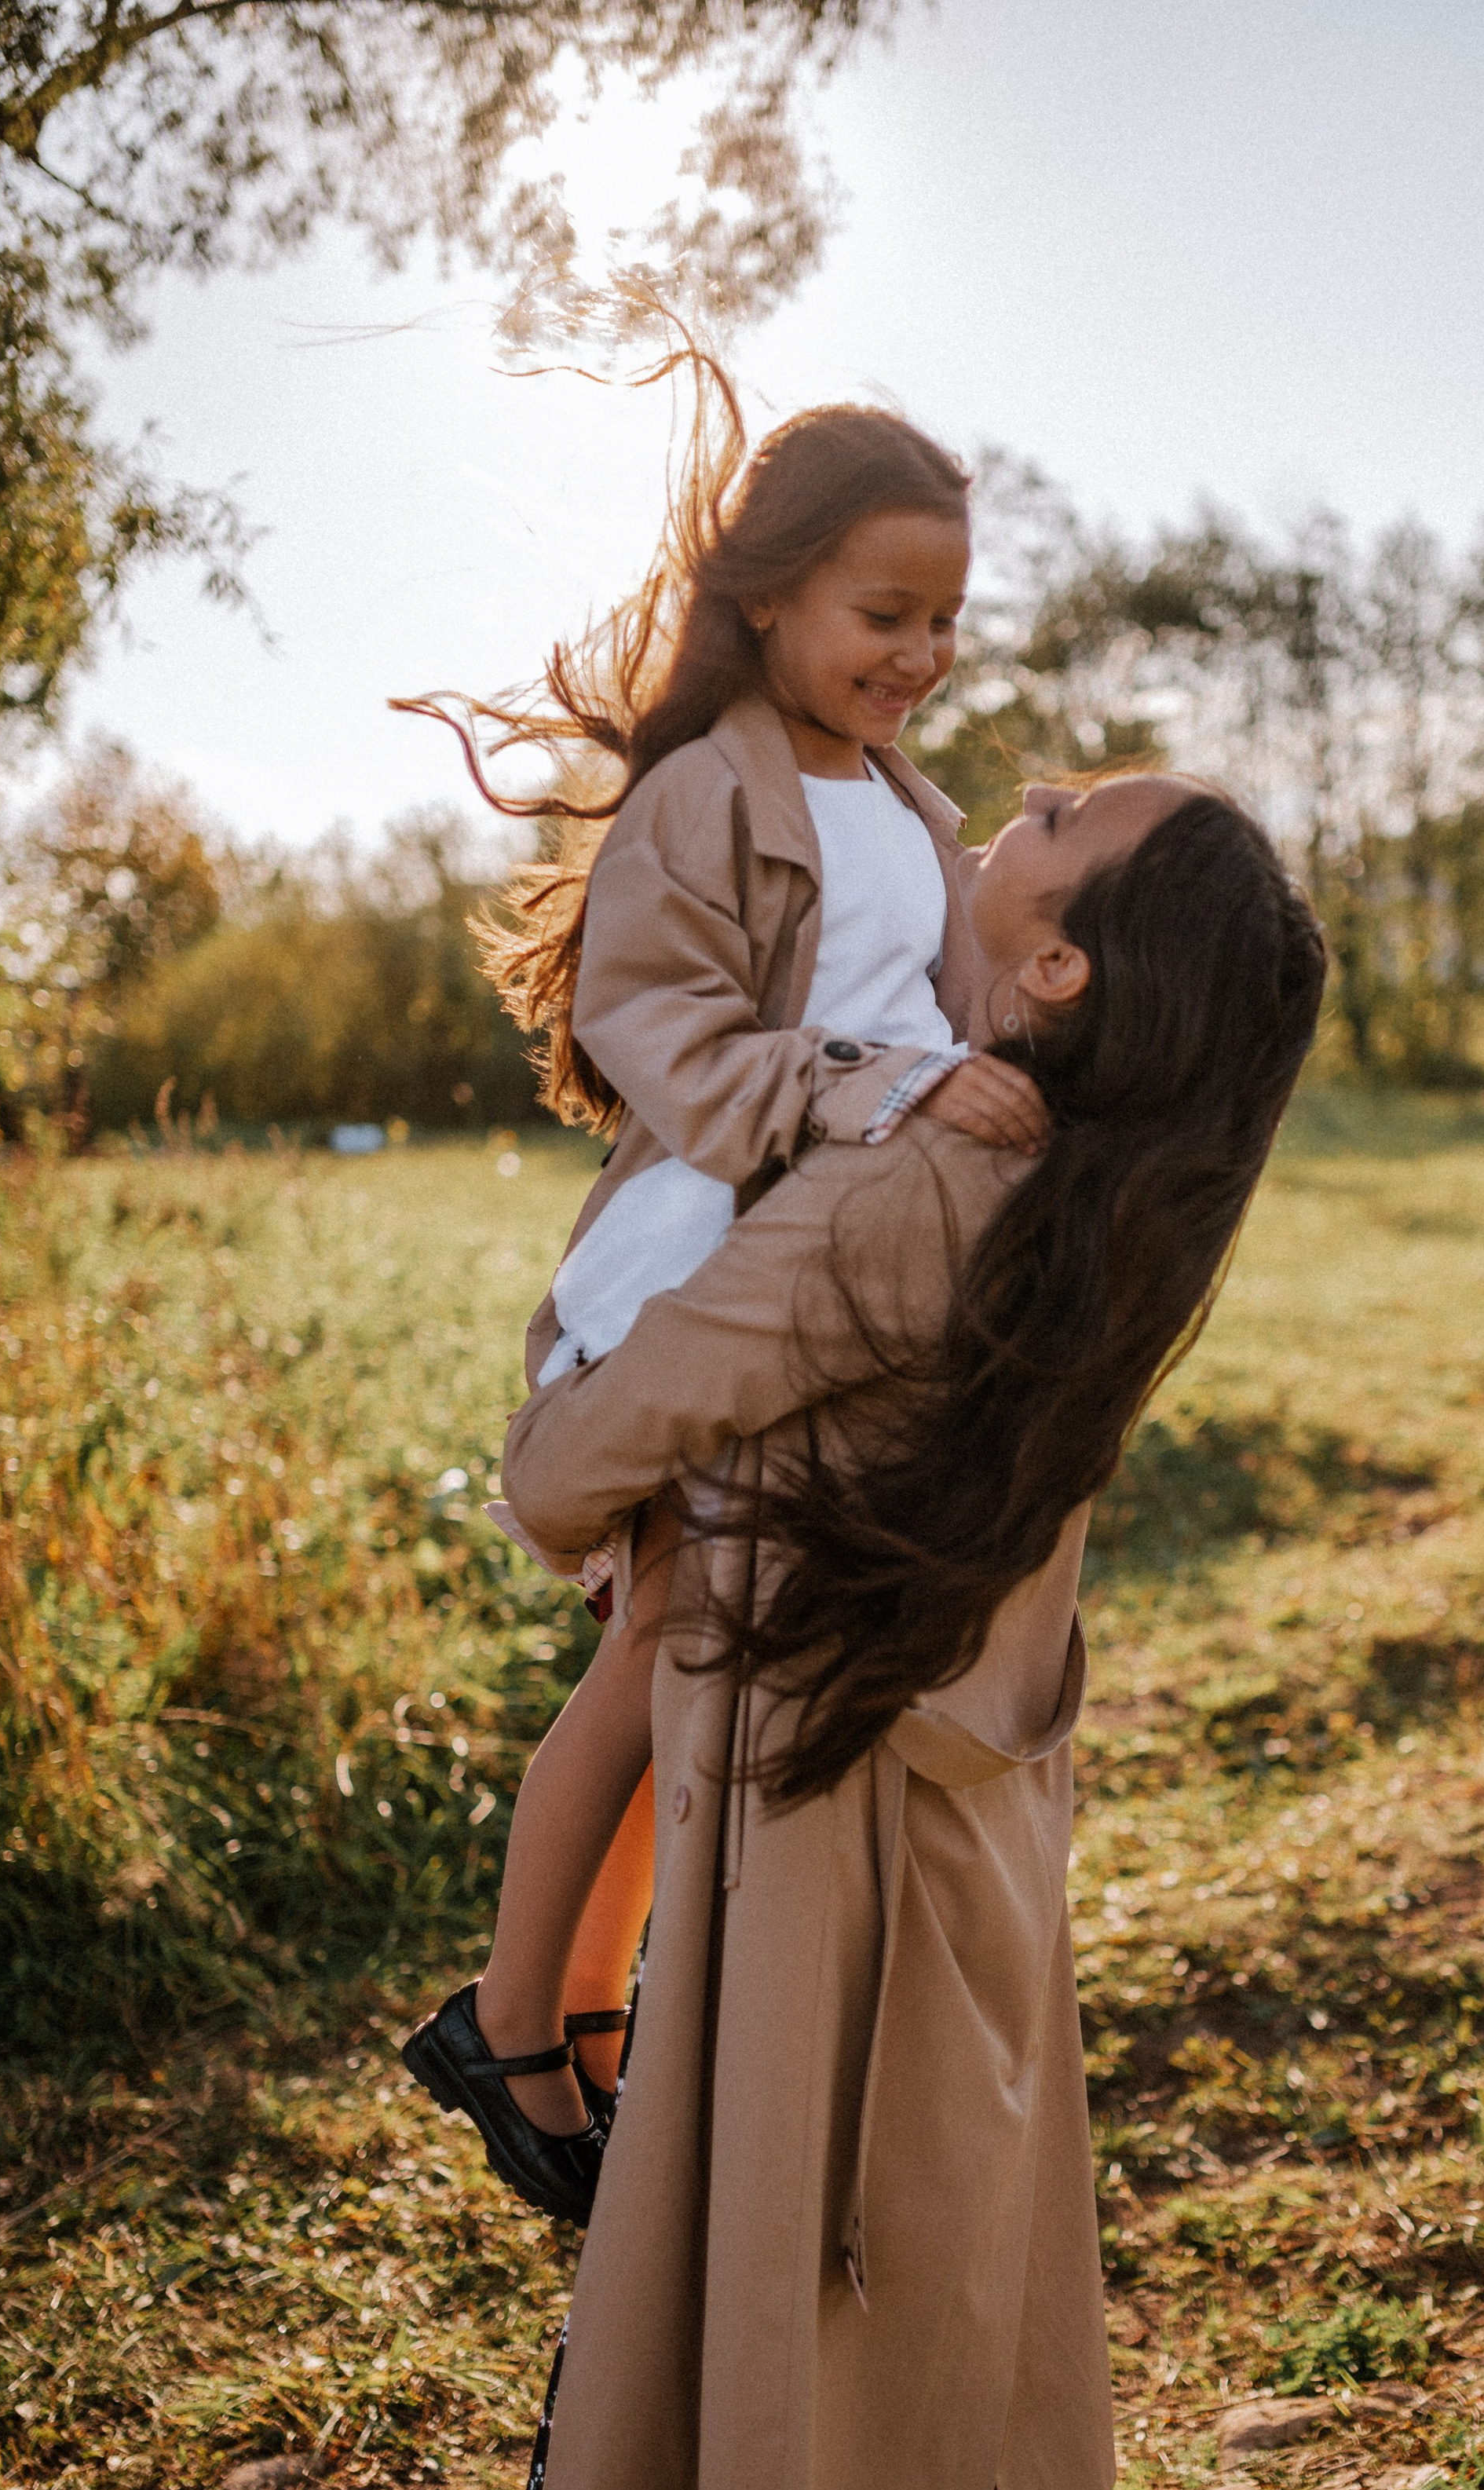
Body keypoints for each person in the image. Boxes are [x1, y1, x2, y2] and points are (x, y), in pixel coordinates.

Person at [496, 769, 1328, 2490]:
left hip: (833, 1828)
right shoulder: (1106, 1181)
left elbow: (579, 1457)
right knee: (979, 2288)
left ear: (1052, 964)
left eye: (1042, 814)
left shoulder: (902, 1190)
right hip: (979, 1806)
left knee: (869, 2319)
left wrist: (585, 1363)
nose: (991, 807)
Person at [392, 364, 1051, 2223]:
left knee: (681, 1658)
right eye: (883, 613)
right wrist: (860, 1085)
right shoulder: (707, 794)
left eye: (944, 620)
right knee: (660, 1640)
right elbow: (658, 1032)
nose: (920, 654)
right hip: (695, 1256)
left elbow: (945, 1021)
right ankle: (509, 2016)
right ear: (766, 595)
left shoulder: (906, 807)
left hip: (822, 1260)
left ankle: (587, 2017)